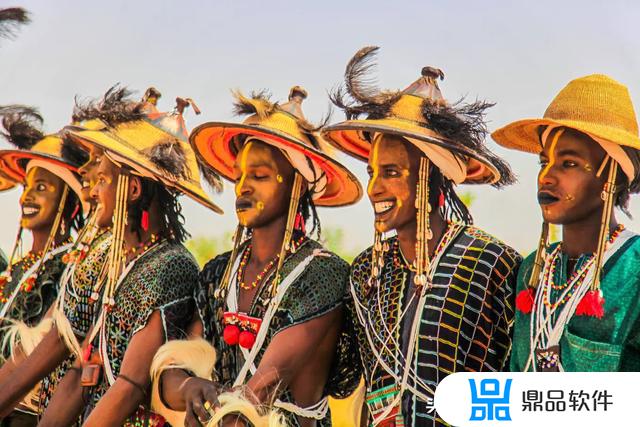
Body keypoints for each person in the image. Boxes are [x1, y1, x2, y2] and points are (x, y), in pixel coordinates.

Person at [322, 46, 522, 426]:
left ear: (429, 176)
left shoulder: (492, 261)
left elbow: (516, 375)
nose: (375, 189)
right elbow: (361, 384)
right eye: (371, 173)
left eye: (392, 173)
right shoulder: (365, 269)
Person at [154, 86, 363, 427]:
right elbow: (171, 374)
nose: (243, 187)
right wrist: (191, 386)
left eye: (260, 176)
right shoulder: (219, 273)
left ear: (297, 185)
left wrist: (219, 409)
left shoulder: (322, 273)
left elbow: (261, 389)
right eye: (240, 176)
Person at [38, 86, 223, 426]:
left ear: (133, 190)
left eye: (103, 178)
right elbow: (79, 371)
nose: (91, 185)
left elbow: (130, 384)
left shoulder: (171, 265)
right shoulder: (103, 256)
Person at [492, 74, 640, 372]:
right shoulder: (533, 271)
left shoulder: (633, 268)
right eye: (543, 162)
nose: (546, 175)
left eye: (568, 163)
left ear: (614, 176)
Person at [0, 105, 86, 426]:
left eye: (42, 188)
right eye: (26, 187)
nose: (26, 198)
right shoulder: (17, 267)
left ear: (69, 199)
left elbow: (31, 360)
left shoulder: (68, 268)